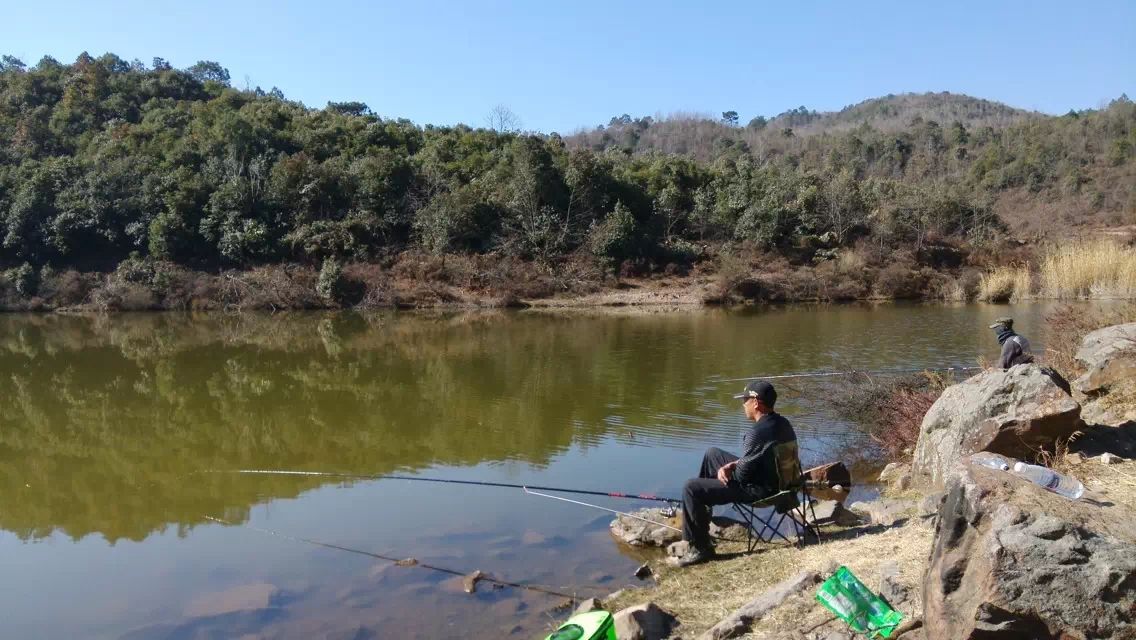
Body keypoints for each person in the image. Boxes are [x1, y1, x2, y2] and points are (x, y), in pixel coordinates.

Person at [671, 380, 798, 567]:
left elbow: (741, 477)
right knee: (712, 453)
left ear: (756, 402)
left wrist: (729, 469)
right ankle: (702, 518)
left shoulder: (756, 433)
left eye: (745, 399)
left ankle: (699, 547)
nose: (743, 404)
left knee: (691, 488)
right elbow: (764, 455)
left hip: (762, 491)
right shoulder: (782, 423)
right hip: (781, 484)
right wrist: (733, 464)